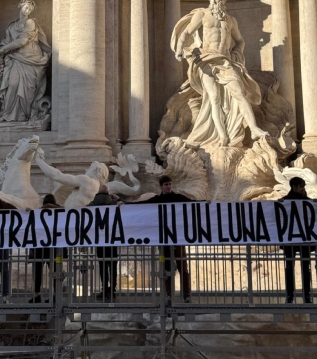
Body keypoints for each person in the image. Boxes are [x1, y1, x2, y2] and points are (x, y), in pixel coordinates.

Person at [171, 0, 269, 147]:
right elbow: (186, 32)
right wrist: (179, 49)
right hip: (207, 60)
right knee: (214, 98)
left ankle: (254, 129)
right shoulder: (202, 14)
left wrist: (236, 55)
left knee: (239, 93)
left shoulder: (230, 20)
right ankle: (222, 136)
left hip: (225, 61)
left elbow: (240, 41)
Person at [131, 176, 196, 305]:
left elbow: (193, 203)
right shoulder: (157, 200)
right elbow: (140, 206)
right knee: (166, 269)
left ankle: (187, 295)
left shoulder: (178, 197)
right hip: (163, 242)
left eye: (170, 184)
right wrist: (123, 204)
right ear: (161, 186)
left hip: (177, 239)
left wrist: (207, 203)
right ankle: (168, 296)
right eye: (166, 184)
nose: (168, 186)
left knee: (183, 267)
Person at [0, 0, 52, 124]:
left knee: (28, 89)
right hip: (15, 58)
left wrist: (4, 49)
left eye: (29, 9)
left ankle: (23, 115)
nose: (27, 11)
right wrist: (2, 50)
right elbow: (6, 41)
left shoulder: (30, 22)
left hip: (31, 58)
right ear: (20, 6)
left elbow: (22, 41)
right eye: (26, 8)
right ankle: (7, 114)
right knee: (12, 84)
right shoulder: (12, 26)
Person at [279, 177, 315, 304]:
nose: (303, 189)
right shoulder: (285, 202)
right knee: (294, 268)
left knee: (301, 268)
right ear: (293, 187)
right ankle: (299, 296)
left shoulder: (305, 201)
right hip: (294, 240)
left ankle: (297, 296)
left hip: (300, 240)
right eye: (300, 186)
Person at [88, 184, 119, 301]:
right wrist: (118, 199)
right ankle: (112, 290)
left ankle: (104, 289)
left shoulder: (92, 204)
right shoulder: (113, 203)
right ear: (107, 193)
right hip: (112, 240)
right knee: (113, 266)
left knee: (103, 266)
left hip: (100, 241)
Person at [28, 194, 62, 303]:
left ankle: (37, 295)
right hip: (56, 249)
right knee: (55, 272)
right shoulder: (62, 212)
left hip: (40, 248)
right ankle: (56, 296)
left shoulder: (38, 213)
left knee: (37, 272)